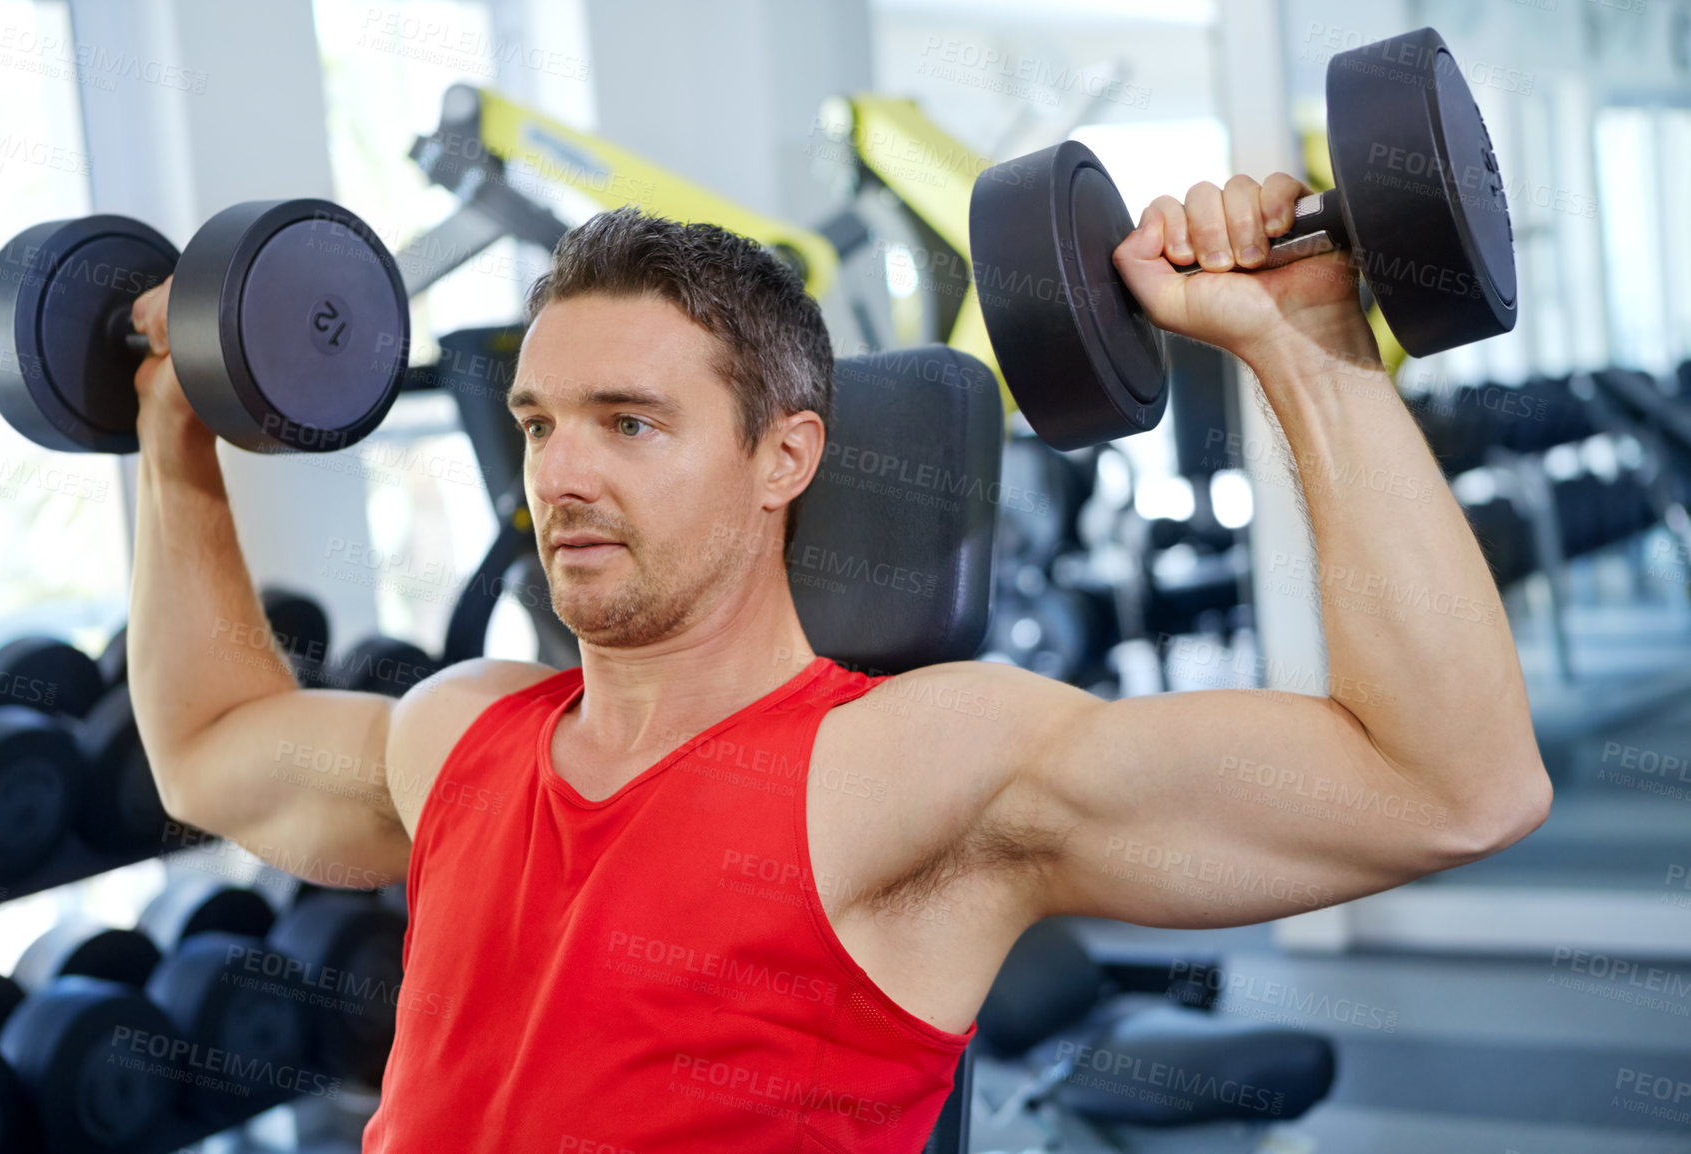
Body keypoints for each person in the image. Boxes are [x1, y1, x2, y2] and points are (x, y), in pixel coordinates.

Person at [127, 174, 1550, 1151]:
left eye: (628, 422)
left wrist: (1305, 343)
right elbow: (209, 741)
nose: (557, 472)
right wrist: (171, 424)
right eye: (539, 418)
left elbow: (1450, 784)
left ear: (782, 457)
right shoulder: (459, 735)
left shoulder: (906, 769)